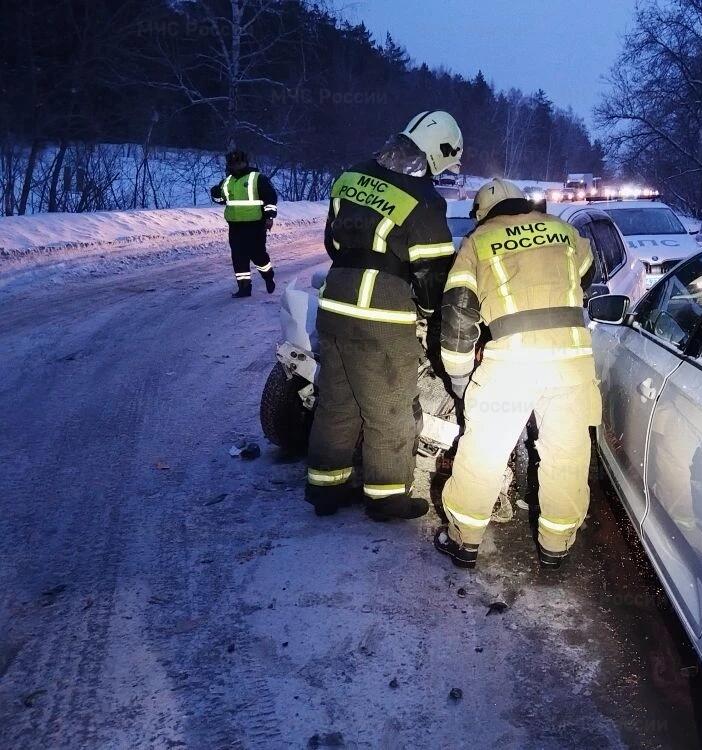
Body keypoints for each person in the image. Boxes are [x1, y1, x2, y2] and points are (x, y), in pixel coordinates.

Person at [435, 179, 602, 569]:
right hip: (571, 364)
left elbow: (458, 315)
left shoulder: (477, 241)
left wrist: (459, 378)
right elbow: (587, 275)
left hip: (511, 365)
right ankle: (555, 546)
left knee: (485, 452)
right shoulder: (562, 228)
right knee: (566, 454)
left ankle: (464, 541)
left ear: (482, 213)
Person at [305, 111, 462, 521]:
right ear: (437, 151)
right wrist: (430, 315)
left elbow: (333, 242)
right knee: (389, 407)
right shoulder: (425, 201)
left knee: (337, 400)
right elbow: (432, 274)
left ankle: (325, 488)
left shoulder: (350, 175)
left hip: (334, 305)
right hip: (381, 317)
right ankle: (386, 497)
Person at [210, 150, 279, 298]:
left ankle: (268, 276)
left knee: (258, 255)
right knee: (238, 257)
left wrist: (269, 217)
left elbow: (270, 197)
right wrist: (214, 193)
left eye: (239, 162)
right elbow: (221, 200)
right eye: (233, 163)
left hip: (255, 225)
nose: (236, 165)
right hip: (235, 226)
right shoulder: (227, 181)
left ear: (245, 162)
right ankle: (244, 288)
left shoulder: (257, 178)